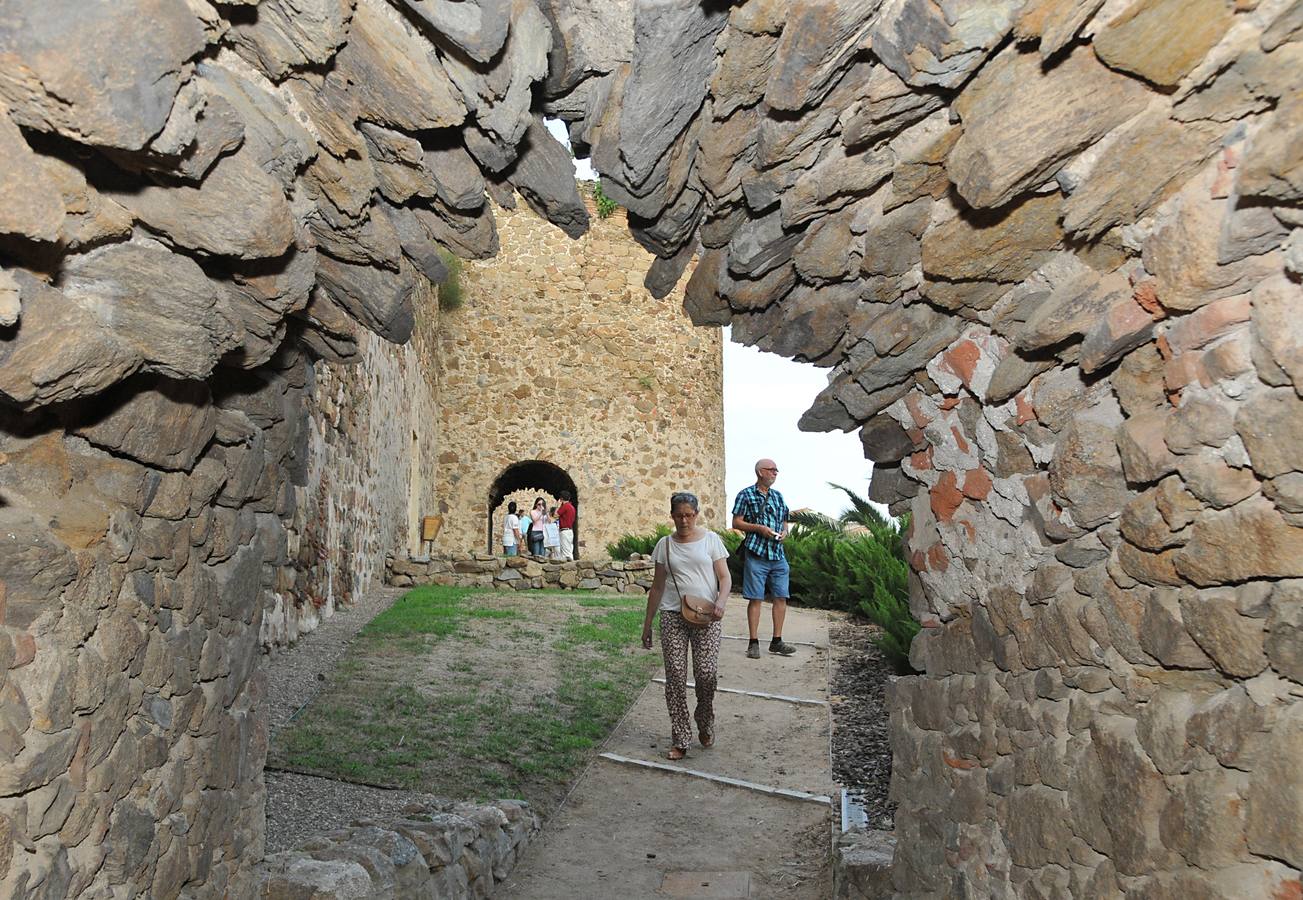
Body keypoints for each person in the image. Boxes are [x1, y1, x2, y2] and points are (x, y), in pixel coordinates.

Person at [641, 492, 731, 760]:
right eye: (679, 515)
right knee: (676, 678)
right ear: (672, 515)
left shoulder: (711, 541)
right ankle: (681, 737)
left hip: (707, 616)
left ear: (696, 514)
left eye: (689, 515)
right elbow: (657, 588)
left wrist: (721, 602)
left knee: (706, 674)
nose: (684, 520)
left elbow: (725, 578)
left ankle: (704, 717)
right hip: (672, 615)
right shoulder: (664, 545)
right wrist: (647, 626)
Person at [732, 458, 797, 658]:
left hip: (778, 554)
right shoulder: (745, 494)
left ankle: (777, 641)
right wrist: (759, 528)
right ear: (761, 472)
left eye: (776, 470)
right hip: (757, 553)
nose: (776, 473)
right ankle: (753, 642)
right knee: (756, 598)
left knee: (781, 596)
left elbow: (785, 519)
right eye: (772, 470)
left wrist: (785, 531)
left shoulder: (778, 496)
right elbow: (736, 522)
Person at [556, 491, 576, 560]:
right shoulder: (572, 507)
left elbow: (556, 515)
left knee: (565, 553)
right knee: (569, 550)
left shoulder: (565, 506)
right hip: (570, 530)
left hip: (564, 531)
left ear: (561, 499)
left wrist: (558, 505)